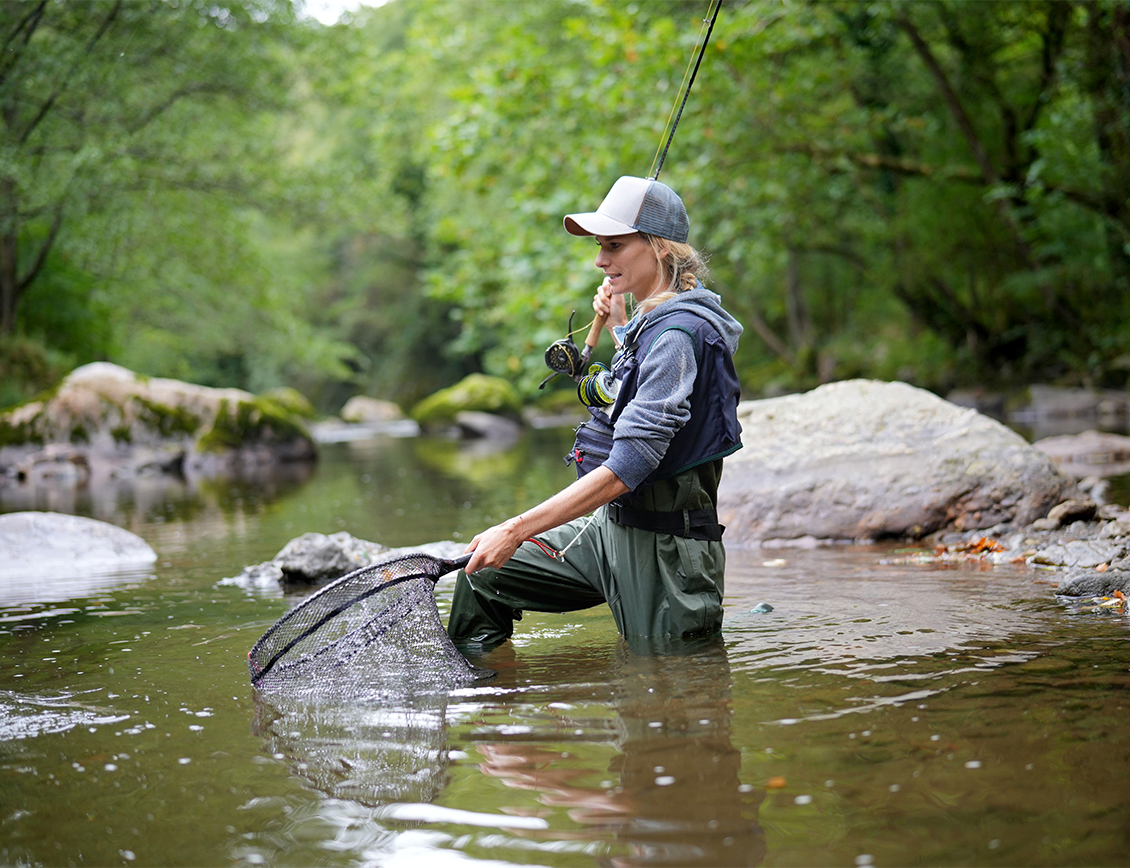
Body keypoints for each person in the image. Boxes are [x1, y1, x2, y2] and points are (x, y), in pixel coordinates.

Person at [446, 175, 743, 648]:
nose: (600, 260)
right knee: (483, 577)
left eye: (614, 246)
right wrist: (622, 322)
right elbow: (634, 381)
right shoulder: (655, 324)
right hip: (608, 529)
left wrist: (515, 528)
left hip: (666, 552)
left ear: (660, 249)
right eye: (600, 246)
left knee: (670, 697)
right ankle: (491, 709)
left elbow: (628, 466)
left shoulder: (676, 335)